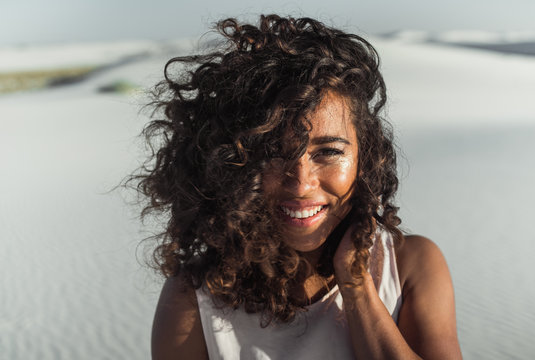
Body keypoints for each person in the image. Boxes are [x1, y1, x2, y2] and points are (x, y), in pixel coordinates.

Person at [139, 14, 462, 359]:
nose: (301, 183)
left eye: (328, 152)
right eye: (273, 153)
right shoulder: (195, 296)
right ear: (232, 162)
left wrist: (357, 289)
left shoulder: (411, 266)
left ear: (364, 157)